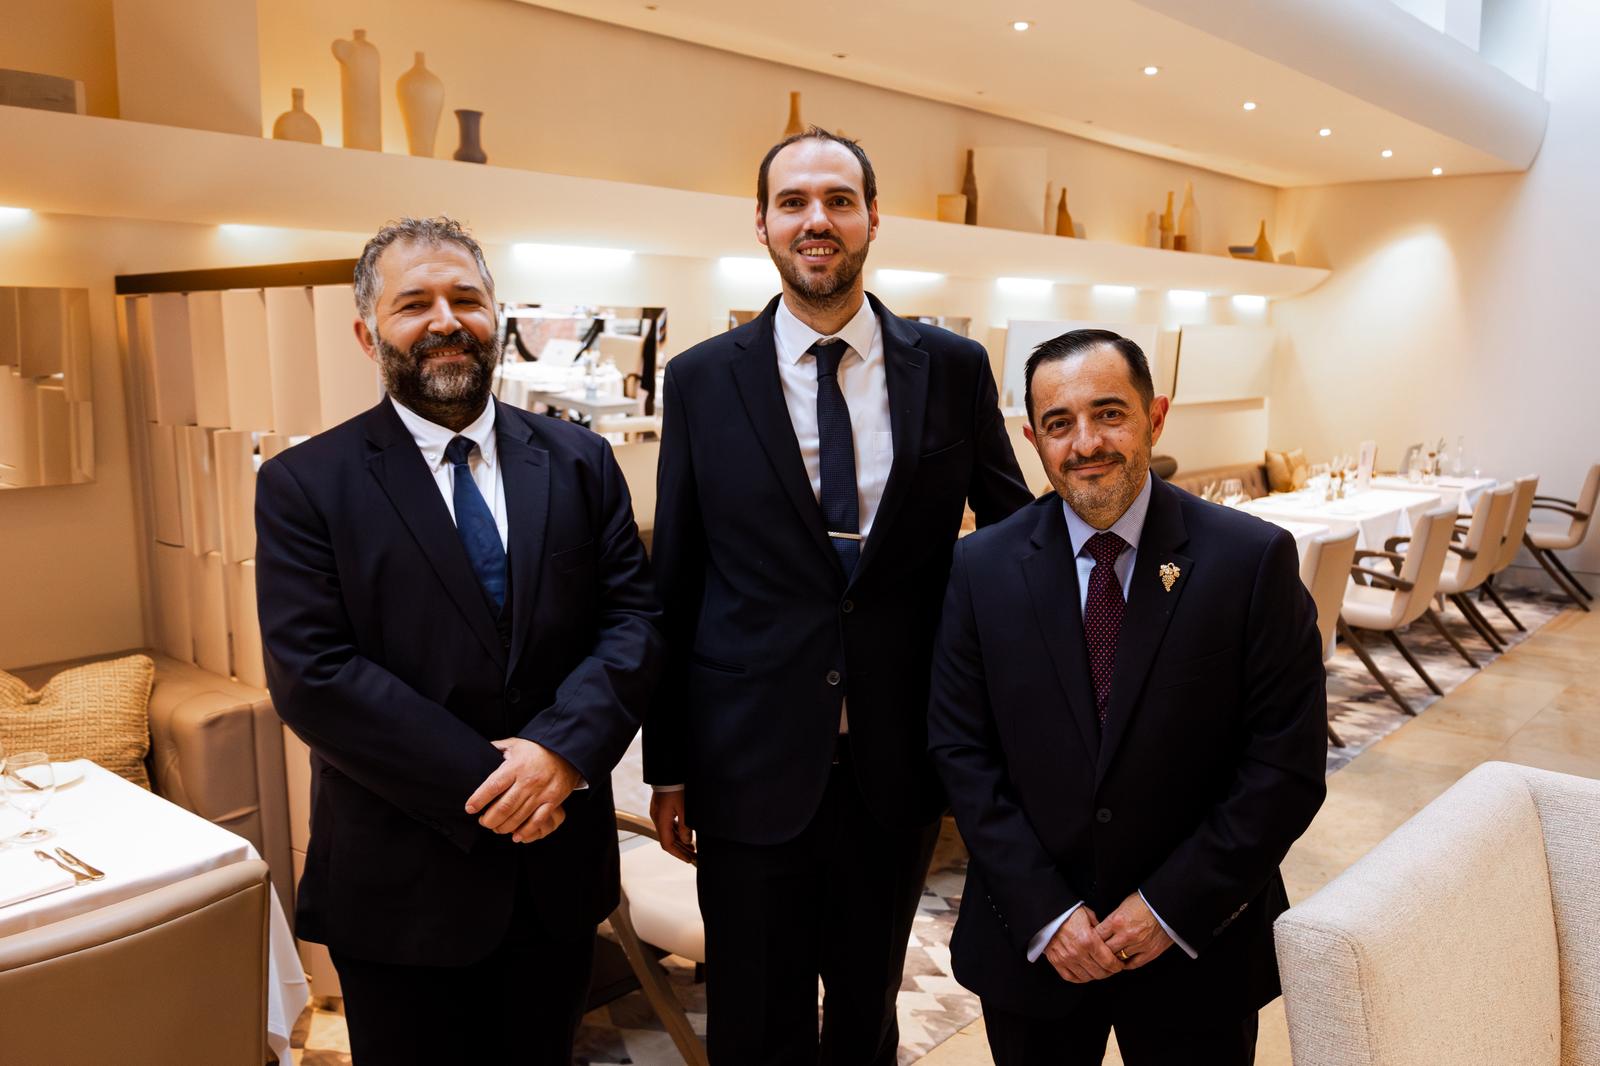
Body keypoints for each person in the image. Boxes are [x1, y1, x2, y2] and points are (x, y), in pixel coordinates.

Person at [644, 128, 1032, 1063]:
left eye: (838, 200)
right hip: (745, 760)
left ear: (871, 219)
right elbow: (678, 579)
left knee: (865, 1004)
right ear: (764, 225)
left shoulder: (952, 367)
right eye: (794, 202)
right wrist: (667, 763)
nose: (816, 220)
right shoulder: (701, 379)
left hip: (897, 759)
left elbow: (1014, 533)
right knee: (752, 1015)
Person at [254, 217, 661, 1064]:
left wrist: (560, 753)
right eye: (414, 303)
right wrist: (504, 784)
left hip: (554, 878)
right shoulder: (304, 485)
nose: (445, 319)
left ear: (495, 317)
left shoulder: (581, 460)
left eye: (466, 298)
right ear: (369, 333)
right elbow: (314, 675)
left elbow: (633, 622)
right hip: (402, 886)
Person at [927, 329, 1328, 1065]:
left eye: (1109, 413)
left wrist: (1169, 907)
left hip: (1196, 948)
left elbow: (1285, 765)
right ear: (1032, 439)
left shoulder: (1251, 561)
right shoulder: (980, 570)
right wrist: (1047, 913)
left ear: (1156, 416)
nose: (1086, 443)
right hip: (1034, 948)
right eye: (1059, 423)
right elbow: (961, 753)